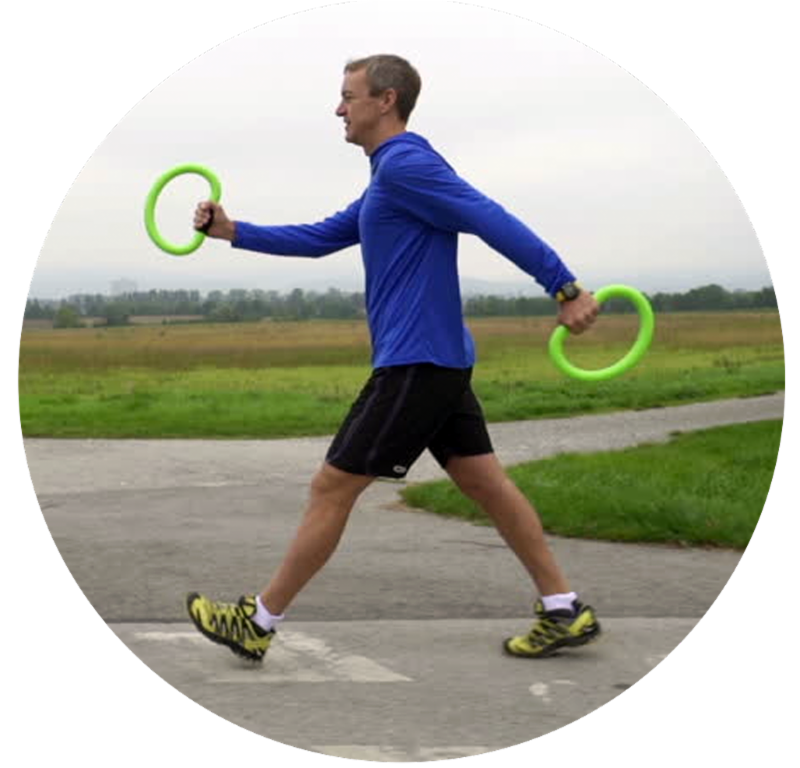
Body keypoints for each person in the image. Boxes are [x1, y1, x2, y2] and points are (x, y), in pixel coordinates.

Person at [187, 54, 602, 662]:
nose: (338, 108)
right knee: (486, 483)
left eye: (347, 96)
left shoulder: (408, 165)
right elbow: (322, 236)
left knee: (332, 485)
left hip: (417, 364)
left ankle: (259, 621)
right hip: (437, 360)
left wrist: (564, 287)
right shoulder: (387, 178)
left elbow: (489, 217)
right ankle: (564, 609)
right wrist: (234, 231)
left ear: (385, 101)